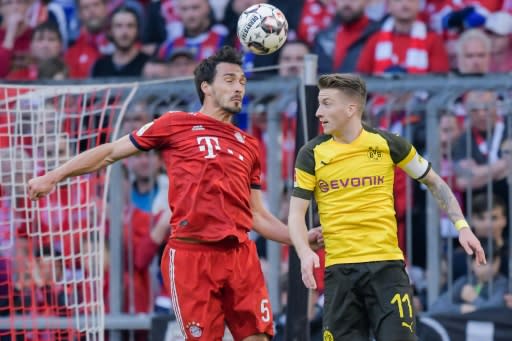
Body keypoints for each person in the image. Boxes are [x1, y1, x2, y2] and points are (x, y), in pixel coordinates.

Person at [28, 46, 322, 341]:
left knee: (259, 337)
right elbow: (112, 152)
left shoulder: (248, 144)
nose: (238, 88)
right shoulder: (175, 124)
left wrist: (299, 238)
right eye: (230, 80)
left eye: (243, 82)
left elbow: (257, 214)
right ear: (206, 87)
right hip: (192, 254)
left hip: (239, 254)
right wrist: (55, 175)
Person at [288, 73, 485, 341]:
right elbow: (296, 214)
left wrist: (462, 227)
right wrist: (303, 252)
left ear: (351, 108)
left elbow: (435, 182)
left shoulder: (388, 143)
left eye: (326, 103)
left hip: (386, 269)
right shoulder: (311, 153)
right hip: (340, 272)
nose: (318, 111)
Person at [430, 238, 507, 315]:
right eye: (482, 264)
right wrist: (461, 309)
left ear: (499, 261)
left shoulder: (503, 284)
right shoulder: (465, 281)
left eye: (493, 262)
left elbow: (495, 311)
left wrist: (474, 299)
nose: (488, 268)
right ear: (470, 263)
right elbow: (436, 307)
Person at [91, 6, 149, 77]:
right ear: (110, 31)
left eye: (130, 26)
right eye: (119, 26)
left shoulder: (148, 64)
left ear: (137, 30)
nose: (124, 32)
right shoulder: (99, 66)